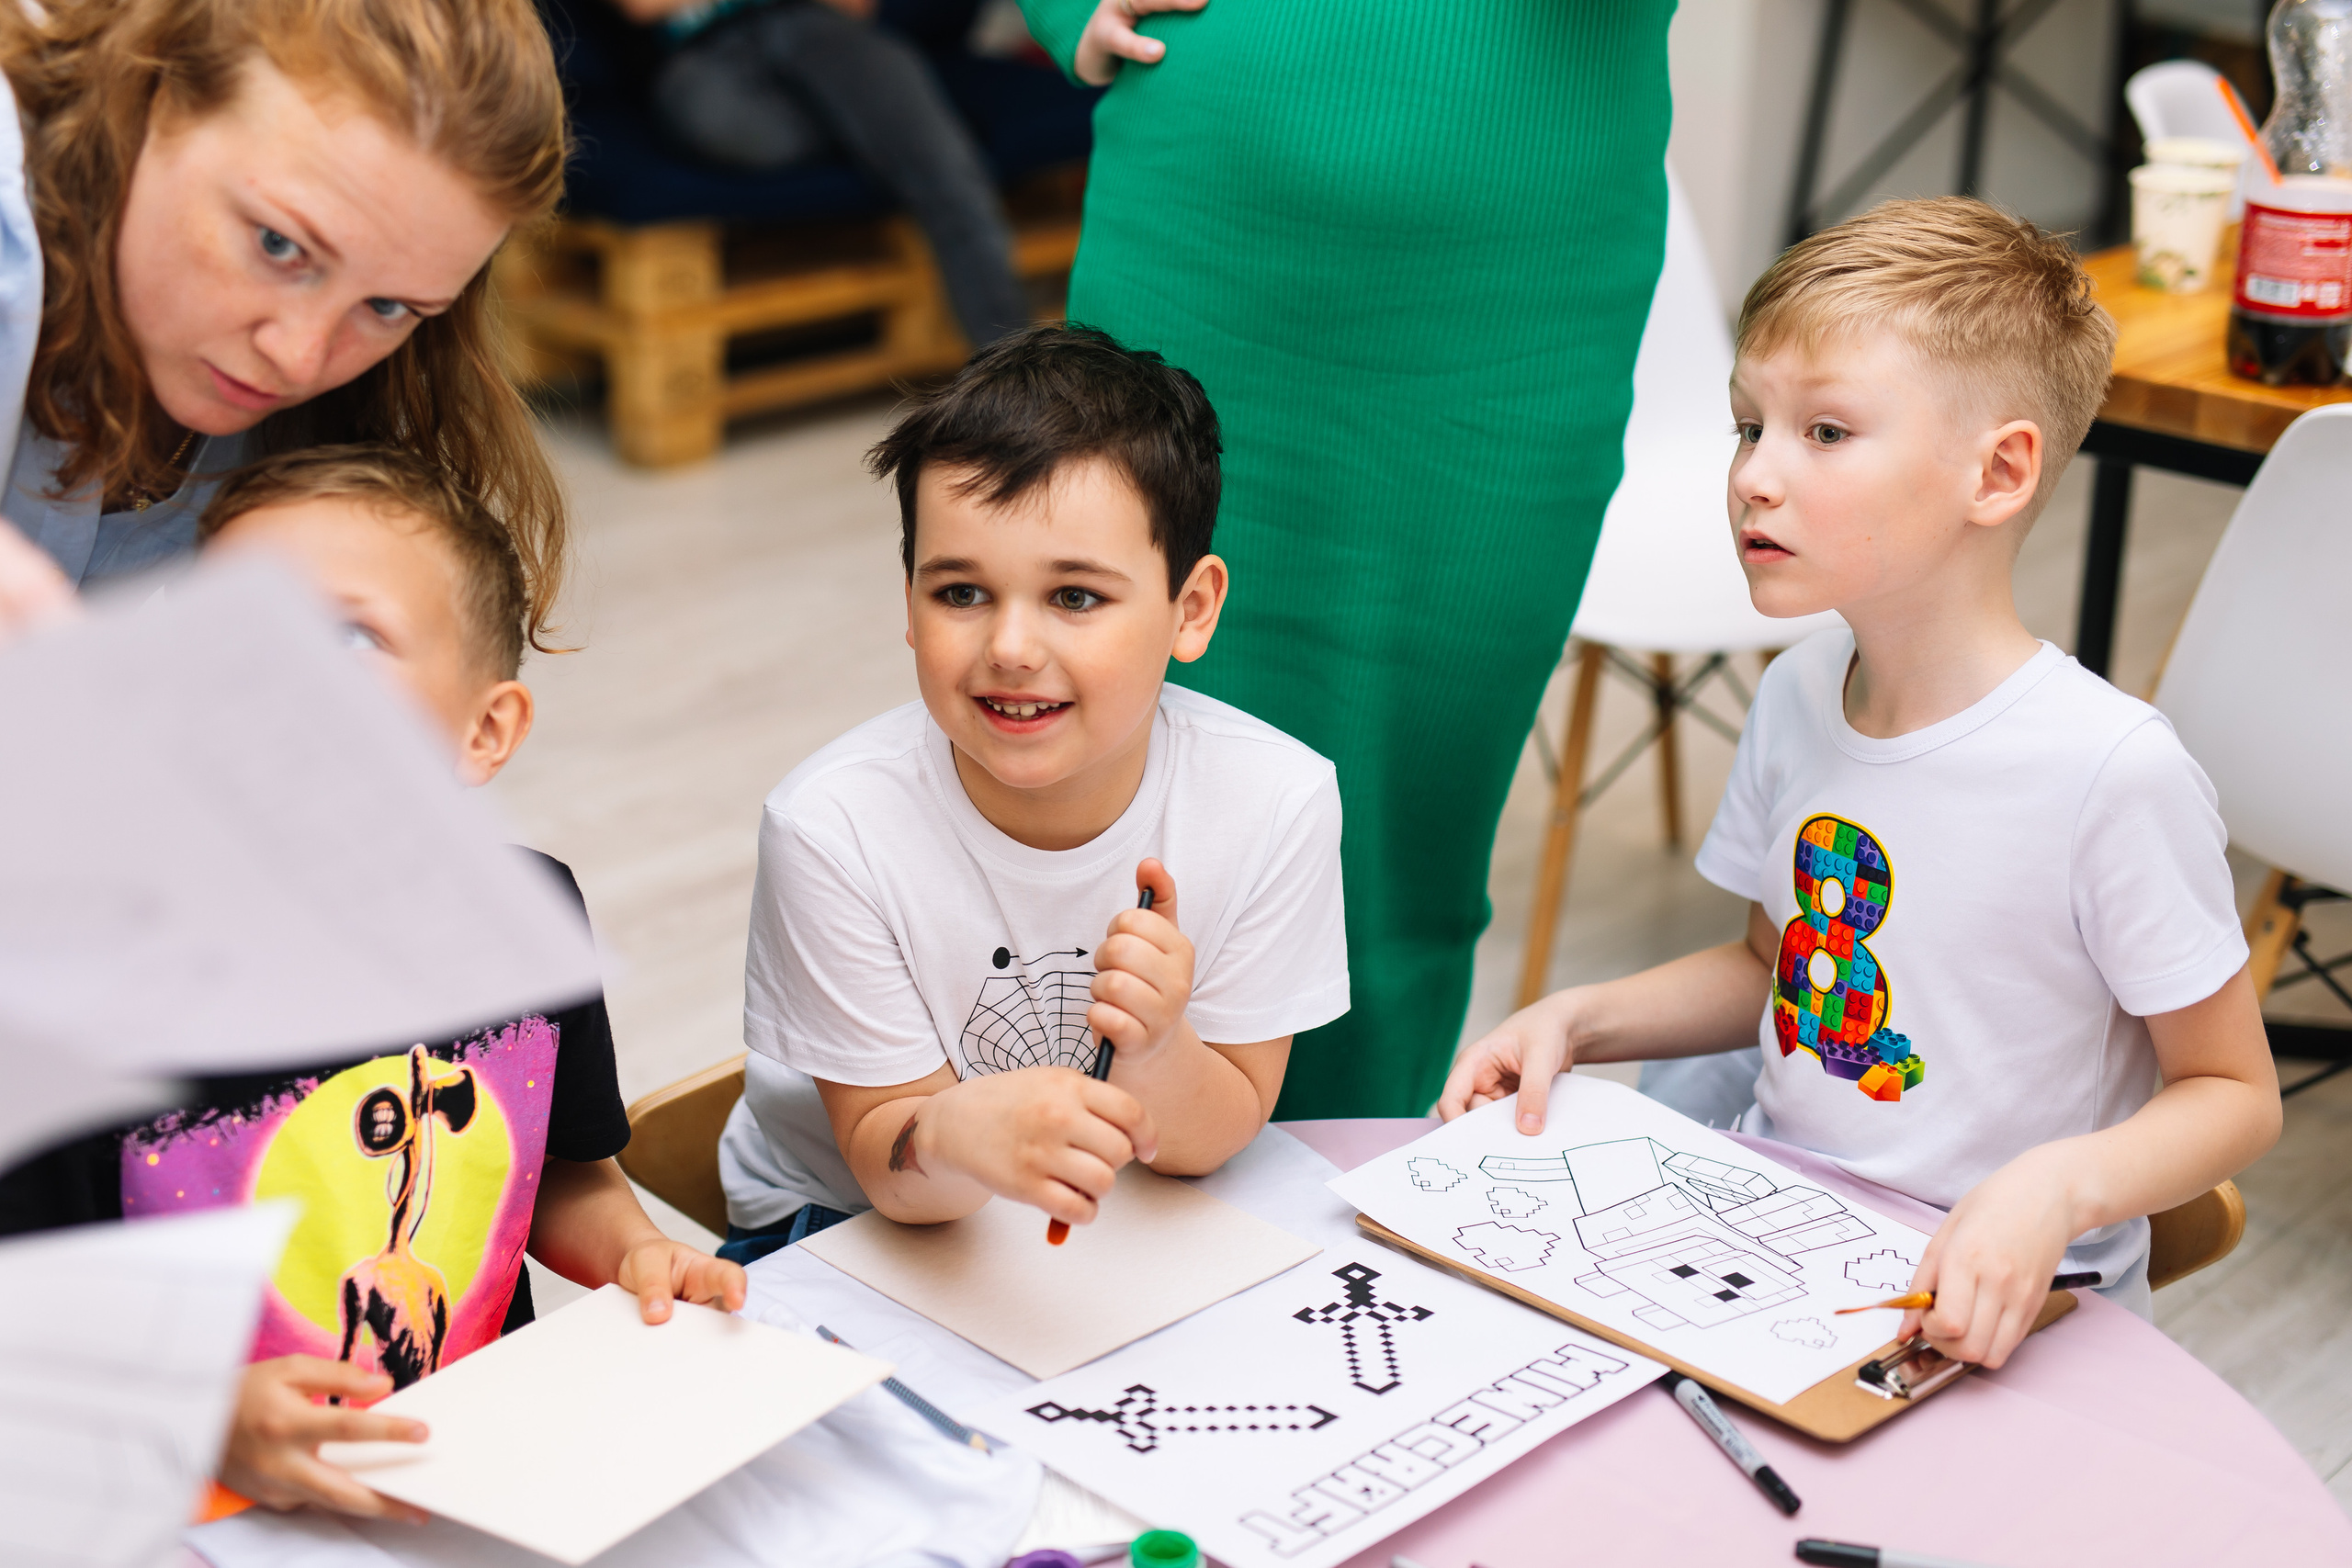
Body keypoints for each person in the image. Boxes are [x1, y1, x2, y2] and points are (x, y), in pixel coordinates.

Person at [1441, 198, 2282, 1369]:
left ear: (1997, 472)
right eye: (1748, 427)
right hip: (1782, 1241)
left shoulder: (2112, 771)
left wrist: (2054, 1188)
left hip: (2010, 1302)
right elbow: (1771, 969)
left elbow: (2234, 1093)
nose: (1753, 476)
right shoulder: (1797, 692)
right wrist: (1577, 1019)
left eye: (1825, 432)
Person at [0, 446, 747, 1520]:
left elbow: (560, 1180)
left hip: (475, 1480)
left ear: (484, 731)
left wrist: (636, 1254)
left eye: (349, 636)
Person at [1012, 0, 1677, 1119]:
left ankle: (1339, 1191)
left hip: (1506, 303)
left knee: (1397, 846)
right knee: (1103, 773)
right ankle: (1057, 1167)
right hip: (1196, 241)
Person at [714, 323, 1346, 1257]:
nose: (1009, 648)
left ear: (1191, 609)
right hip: (850, 1219)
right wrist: (954, 1133)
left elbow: (1213, 1138)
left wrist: (1160, 1046)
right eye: (961, 593)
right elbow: (892, 1174)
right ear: (907, 600)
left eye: (1075, 597)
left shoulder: (1278, 800)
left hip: (1117, 1212)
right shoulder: (830, 827)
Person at [0, 0, 568, 628]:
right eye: (278, 245)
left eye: (387, 307)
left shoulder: (329, 417)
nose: (298, 360)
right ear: (148, 96)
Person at [605, 0, 1030, 350]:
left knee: (939, 157)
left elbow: (858, 8)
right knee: (717, 117)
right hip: (703, 52)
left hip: (817, 25)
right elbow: (643, 6)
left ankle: (1013, 365)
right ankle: (869, 136)